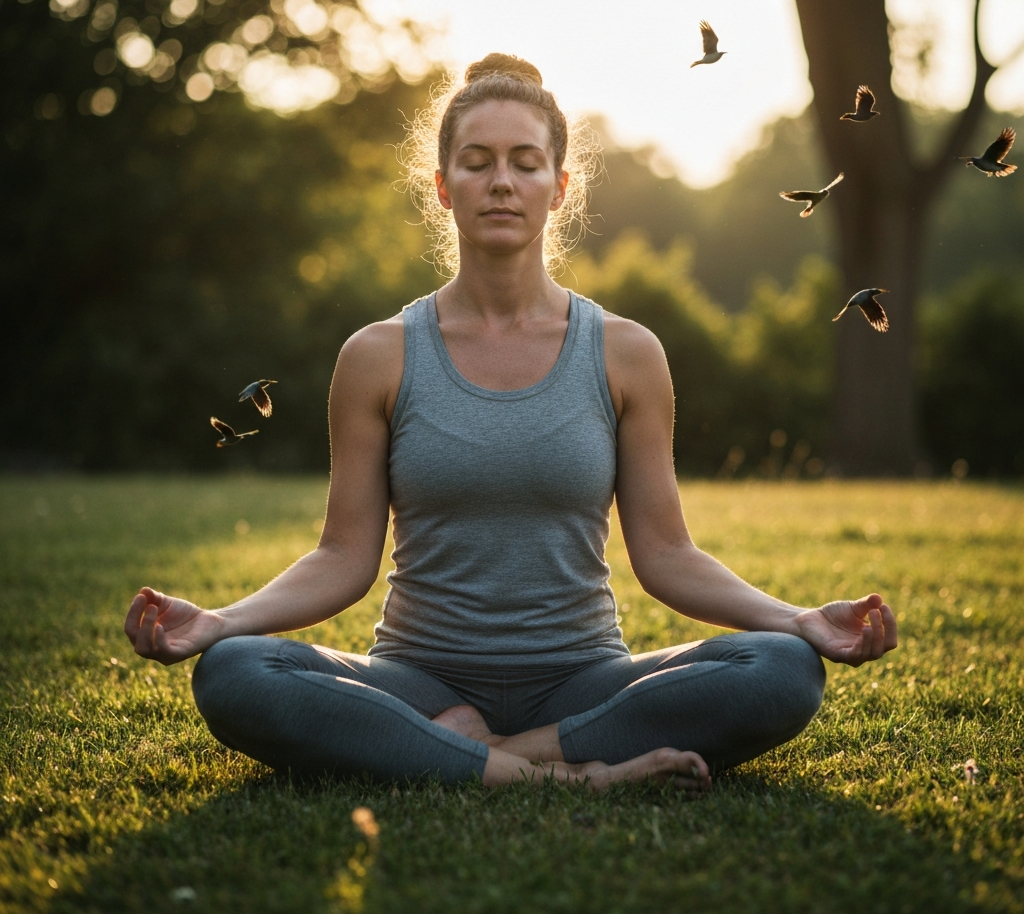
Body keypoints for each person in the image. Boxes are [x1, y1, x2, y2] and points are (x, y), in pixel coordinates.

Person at [124, 54, 898, 791]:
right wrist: (220, 621)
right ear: (441, 185)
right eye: (477, 161)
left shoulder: (627, 354)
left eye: (525, 163)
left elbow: (666, 554)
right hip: (417, 682)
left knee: (782, 669)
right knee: (234, 671)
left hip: (582, 681)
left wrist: (796, 619)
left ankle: (487, 756)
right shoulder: (377, 356)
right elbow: (341, 558)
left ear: (560, 187)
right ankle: (565, 776)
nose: (502, 182)